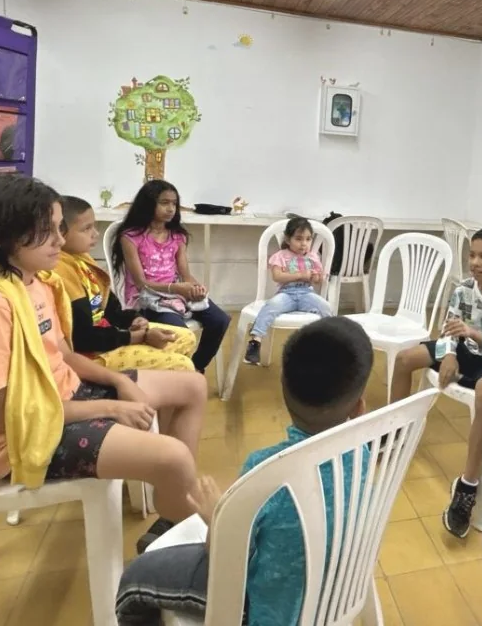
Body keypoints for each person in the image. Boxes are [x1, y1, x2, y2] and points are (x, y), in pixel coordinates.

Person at [0, 175, 208, 540]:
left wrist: (116, 381)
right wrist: (111, 408)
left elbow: (63, 355)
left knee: (193, 385)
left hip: (66, 399)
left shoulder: (35, 282)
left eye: (58, 228)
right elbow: (11, 414)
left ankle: (172, 517)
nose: (61, 241)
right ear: (4, 235)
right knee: (173, 458)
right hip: (24, 437)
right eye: (47, 231)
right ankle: (182, 537)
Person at [115, 316, 374, 626]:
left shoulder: (265, 471)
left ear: (283, 391)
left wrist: (217, 516)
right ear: (359, 406)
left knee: (133, 584)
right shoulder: (365, 455)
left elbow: (228, 558)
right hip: (334, 595)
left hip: (265, 609)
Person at [389, 226, 482, 538]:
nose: (475, 262)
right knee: (405, 359)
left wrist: (476, 335)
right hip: (462, 347)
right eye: (472, 255)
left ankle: (468, 485)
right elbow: (450, 327)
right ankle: (395, 430)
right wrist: (449, 354)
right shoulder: (463, 289)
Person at [54, 195, 197, 373]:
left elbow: (109, 309)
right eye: (86, 228)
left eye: (94, 226)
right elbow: (82, 337)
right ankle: (141, 390)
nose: (95, 234)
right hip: (91, 354)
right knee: (183, 365)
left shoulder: (82, 260)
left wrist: (133, 319)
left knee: (186, 337)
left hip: (109, 335)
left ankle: (153, 388)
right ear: (59, 232)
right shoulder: (60, 270)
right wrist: (133, 337)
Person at [111, 180, 231, 374]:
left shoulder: (177, 236)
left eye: (174, 204)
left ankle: (196, 367)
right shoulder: (131, 237)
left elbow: (185, 275)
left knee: (220, 320)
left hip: (177, 293)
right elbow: (141, 282)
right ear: (149, 203)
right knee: (180, 332)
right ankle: (178, 372)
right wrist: (176, 288)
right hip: (147, 298)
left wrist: (197, 288)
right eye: (164, 203)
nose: (170, 209)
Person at [244, 216, 332, 365]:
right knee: (271, 306)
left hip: (306, 294)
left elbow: (317, 280)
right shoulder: (280, 256)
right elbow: (277, 276)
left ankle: (329, 343)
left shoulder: (313, 257)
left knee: (326, 307)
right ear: (288, 239)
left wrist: (318, 277)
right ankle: (255, 342)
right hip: (287, 294)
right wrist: (300, 274)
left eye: (308, 239)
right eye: (298, 239)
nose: (304, 244)